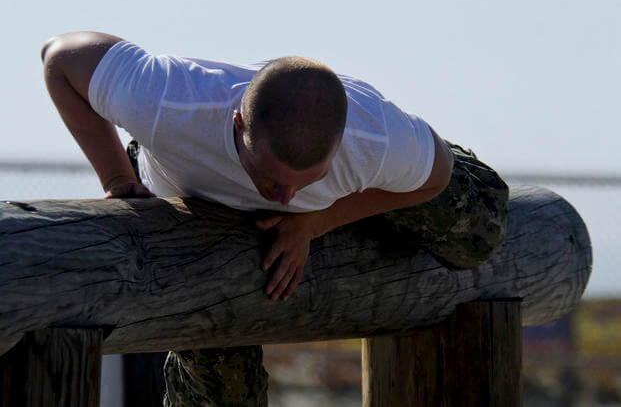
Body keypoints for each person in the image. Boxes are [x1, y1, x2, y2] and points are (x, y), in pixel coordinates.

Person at [41, 31, 508, 406]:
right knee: (220, 388)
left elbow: (436, 176)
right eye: (270, 177)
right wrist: (117, 180)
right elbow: (60, 57)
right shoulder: (167, 100)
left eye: (306, 180)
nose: (284, 194)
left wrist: (315, 221)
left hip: (346, 195)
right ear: (239, 127)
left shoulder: (375, 138)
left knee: (479, 232)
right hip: (195, 207)